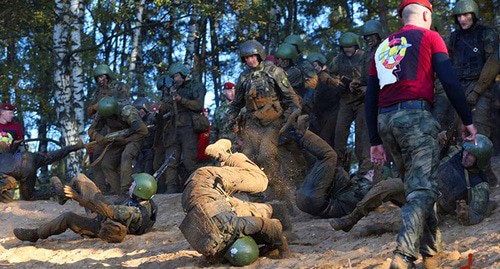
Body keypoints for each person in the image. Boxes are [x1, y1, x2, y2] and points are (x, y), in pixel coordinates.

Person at [364, 1, 477, 268]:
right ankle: (403, 255)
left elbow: (370, 96)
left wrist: (374, 140)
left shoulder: (382, 47)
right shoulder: (430, 36)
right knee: (422, 189)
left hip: (385, 120)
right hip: (414, 117)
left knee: (419, 190)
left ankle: (431, 254)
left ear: (403, 18)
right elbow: (449, 80)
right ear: (426, 14)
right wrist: (467, 119)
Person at [330, 134, 496, 232]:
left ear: (480, 160)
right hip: (419, 187)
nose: (465, 156)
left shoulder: (479, 185)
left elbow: (476, 214)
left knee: (408, 225)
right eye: (466, 151)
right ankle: (352, 218)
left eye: (471, 155)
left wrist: (466, 215)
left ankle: (377, 228)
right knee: (388, 185)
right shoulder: (454, 154)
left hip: (434, 208)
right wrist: (439, 141)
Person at [179, 139, 290, 266]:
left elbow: (270, 226)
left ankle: (223, 155)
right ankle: (272, 209)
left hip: (207, 180)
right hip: (196, 197)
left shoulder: (233, 228)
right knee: (243, 210)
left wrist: (285, 251)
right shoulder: (212, 247)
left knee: (260, 180)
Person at [227, 39, 301, 207]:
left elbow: (291, 99)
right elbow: (237, 103)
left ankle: (283, 196)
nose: (250, 61)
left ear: (259, 55)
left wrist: (288, 120)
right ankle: (256, 198)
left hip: (273, 121)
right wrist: (231, 118)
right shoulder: (244, 77)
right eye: (246, 58)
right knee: (246, 160)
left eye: (252, 57)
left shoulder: (274, 71)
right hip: (253, 124)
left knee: (266, 156)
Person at [13, 173, 157, 243]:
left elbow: (108, 211)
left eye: (133, 184)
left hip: (101, 223)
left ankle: (36, 234)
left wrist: (78, 197)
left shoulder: (134, 212)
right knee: (80, 178)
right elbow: (110, 206)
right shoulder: (144, 201)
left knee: (67, 217)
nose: (131, 185)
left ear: (140, 190)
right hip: (105, 211)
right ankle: (62, 195)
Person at [447, 0, 500, 187]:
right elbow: (448, 63)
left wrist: (477, 91)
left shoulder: (486, 33)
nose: (462, 19)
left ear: (474, 15)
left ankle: (484, 177)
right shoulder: (454, 38)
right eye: (459, 16)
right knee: (461, 133)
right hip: (460, 88)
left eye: (466, 15)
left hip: (482, 88)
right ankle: (472, 178)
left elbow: (493, 62)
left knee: (480, 131)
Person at [280, 113, 372, 219]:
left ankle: (297, 133)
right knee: (318, 162)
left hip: (315, 199)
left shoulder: (364, 194)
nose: (370, 173)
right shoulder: (360, 190)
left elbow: (343, 192)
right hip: (310, 197)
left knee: (329, 156)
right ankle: (290, 141)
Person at [154, 63, 206, 193]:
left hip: (189, 128)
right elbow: (166, 108)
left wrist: (181, 100)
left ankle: (194, 188)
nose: (175, 79)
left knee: (189, 161)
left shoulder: (195, 86)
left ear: (183, 74)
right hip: (173, 129)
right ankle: (171, 188)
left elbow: (199, 105)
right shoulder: (173, 89)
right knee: (170, 160)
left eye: (177, 76)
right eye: (173, 77)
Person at [330, 32, 372, 176]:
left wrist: (362, 86)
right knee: (340, 132)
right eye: (345, 47)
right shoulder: (338, 59)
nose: (347, 49)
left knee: (361, 135)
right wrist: (334, 81)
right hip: (345, 100)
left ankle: (364, 168)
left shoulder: (365, 57)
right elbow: (327, 74)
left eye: (350, 46)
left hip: (361, 101)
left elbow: (373, 76)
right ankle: (338, 167)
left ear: (356, 46)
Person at [0, 132, 84, 203]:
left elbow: (11, 182)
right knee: (50, 156)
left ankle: (57, 191)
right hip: (29, 156)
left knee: (29, 197)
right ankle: (74, 147)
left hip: (22, 169)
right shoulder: (7, 152)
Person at [89, 96, 148, 196]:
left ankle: (126, 189)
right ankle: (120, 193)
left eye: (111, 116)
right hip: (116, 139)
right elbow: (91, 130)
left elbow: (143, 131)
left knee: (126, 156)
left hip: (134, 137)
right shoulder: (102, 112)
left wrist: (126, 140)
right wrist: (97, 136)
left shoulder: (128, 112)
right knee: (106, 164)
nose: (109, 119)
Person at [307, 52, 341, 148]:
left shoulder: (330, 77)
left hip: (332, 112)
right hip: (319, 115)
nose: (313, 69)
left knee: (326, 139)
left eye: (314, 65)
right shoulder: (312, 80)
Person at [132, 97, 156, 174]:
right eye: (137, 111)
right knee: (136, 173)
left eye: (140, 110)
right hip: (139, 152)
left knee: (147, 172)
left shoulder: (152, 117)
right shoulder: (136, 121)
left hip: (150, 150)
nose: (139, 112)